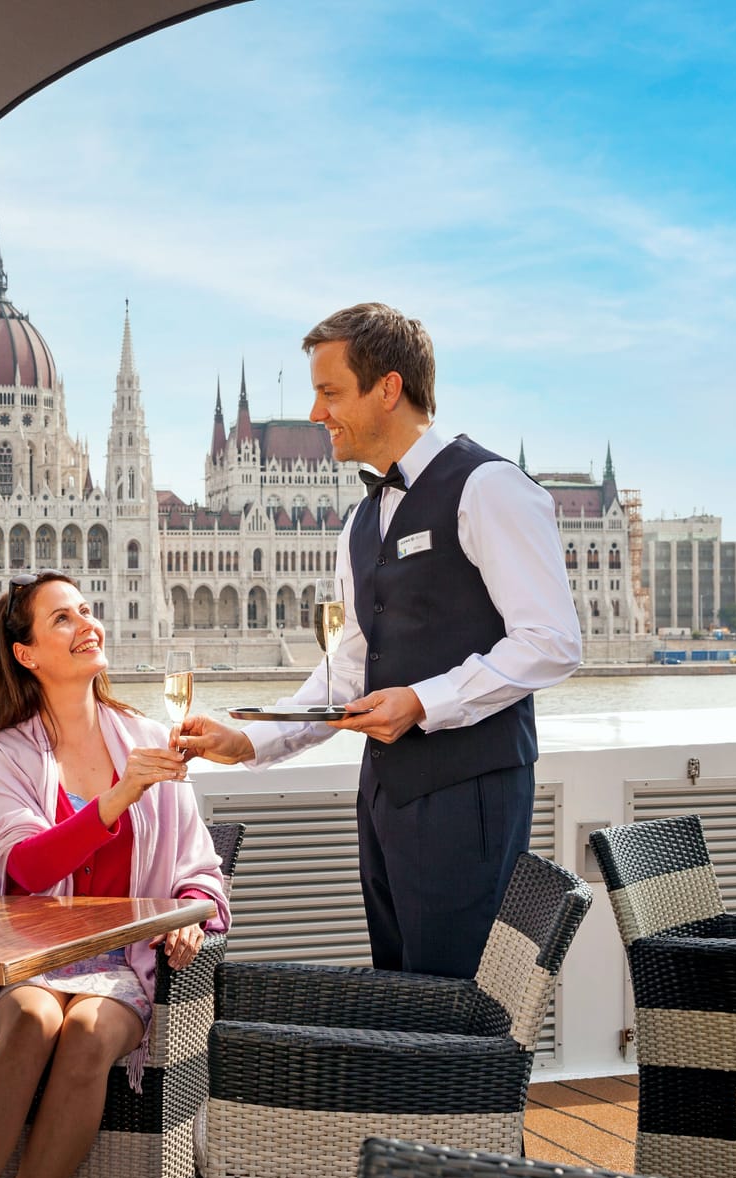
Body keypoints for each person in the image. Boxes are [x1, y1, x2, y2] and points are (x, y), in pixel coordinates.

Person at [180, 302, 579, 978]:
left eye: (330, 392)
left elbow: (551, 640)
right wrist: (251, 739)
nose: (315, 412)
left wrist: (425, 702)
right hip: (385, 800)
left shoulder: (487, 488)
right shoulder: (361, 521)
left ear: (388, 388)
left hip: (469, 796)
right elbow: (353, 664)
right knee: (402, 998)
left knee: (456, 1007)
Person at [0, 570, 230, 1178]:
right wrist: (118, 797)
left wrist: (191, 920)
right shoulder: (3, 753)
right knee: (34, 1023)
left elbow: (201, 868)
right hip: (39, 953)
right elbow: (24, 867)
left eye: (87, 609)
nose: (87, 623)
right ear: (25, 653)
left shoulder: (147, 736)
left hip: (126, 961)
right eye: (62, 618)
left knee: (84, 1034)